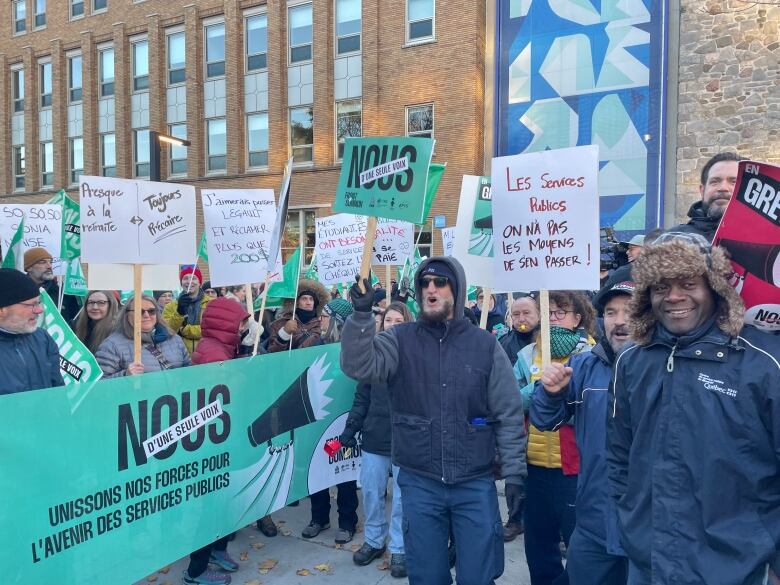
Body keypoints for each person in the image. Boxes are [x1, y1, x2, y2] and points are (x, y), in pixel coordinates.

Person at [340, 257, 527, 585]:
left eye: (440, 282)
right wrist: (360, 317)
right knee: (427, 575)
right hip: (420, 480)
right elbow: (360, 366)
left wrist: (514, 473)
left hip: (474, 481)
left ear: (456, 289)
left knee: (479, 575)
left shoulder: (485, 345)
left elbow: (508, 413)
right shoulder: (399, 339)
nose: (431, 288)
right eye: (425, 282)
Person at [607, 232, 780, 585]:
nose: (673, 297)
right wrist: (631, 525)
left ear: (714, 287)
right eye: (660, 286)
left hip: (737, 566)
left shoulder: (763, 363)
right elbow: (620, 458)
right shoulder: (631, 362)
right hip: (648, 562)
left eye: (689, 283)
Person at [530, 278, 635, 585]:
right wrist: (550, 393)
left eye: (629, 311)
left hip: (645, 527)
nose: (620, 321)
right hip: (594, 522)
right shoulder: (584, 366)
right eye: (612, 312)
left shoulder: (662, 365)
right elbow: (545, 419)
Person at [514, 291, 595, 585]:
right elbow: (511, 401)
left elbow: (591, 409)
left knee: (581, 546)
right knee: (538, 545)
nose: (553, 317)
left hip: (574, 469)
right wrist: (540, 389)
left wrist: (560, 395)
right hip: (534, 466)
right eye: (547, 311)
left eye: (561, 311)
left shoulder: (590, 356)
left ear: (578, 319)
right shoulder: (526, 355)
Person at [340, 301, 414, 578]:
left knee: (403, 499)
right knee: (371, 493)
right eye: (389, 320)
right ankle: (373, 540)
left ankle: (399, 547)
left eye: (399, 321)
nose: (393, 325)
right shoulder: (372, 357)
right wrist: (350, 429)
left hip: (406, 441)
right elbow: (362, 399)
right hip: (375, 437)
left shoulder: (417, 358)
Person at [182, 297, 251, 585]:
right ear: (229, 324)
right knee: (211, 507)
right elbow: (221, 397)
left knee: (224, 504)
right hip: (212, 443)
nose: (247, 326)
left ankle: (217, 549)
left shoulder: (224, 348)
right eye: (243, 322)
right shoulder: (213, 354)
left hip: (223, 439)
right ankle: (195, 571)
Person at [300, 297, 360, 545]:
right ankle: (319, 518)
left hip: (343, 421)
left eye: (325, 317)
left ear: (337, 321)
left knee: (344, 471)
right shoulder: (315, 343)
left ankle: (347, 522)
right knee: (318, 470)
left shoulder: (355, 348)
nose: (320, 320)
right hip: (319, 419)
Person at [496, 293, 540, 542]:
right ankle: (515, 518)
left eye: (527, 313)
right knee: (516, 473)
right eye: (516, 314)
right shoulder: (503, 343)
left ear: (539, 314)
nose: (521, 318)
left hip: (547, 424)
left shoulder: (550, 342)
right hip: (516, 422)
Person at [0, 268, 64, 393]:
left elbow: (58, 389)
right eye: (32, 305)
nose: (39, 310)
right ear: (2, 310)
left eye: (39, 302)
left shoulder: (42, 338)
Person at [96, 294, 191, 377]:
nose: (146, 315)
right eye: (139, 311)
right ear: (127, 314)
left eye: (151, 311)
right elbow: (100, 386)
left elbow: (189, 373)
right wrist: (125, 375)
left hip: (174, 397)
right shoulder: (111, 345)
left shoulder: (174, 339)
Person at [672, 152, 741, 241]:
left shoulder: (764, 238)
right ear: (702, 190)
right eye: (714, 181)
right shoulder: (671, 240)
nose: (723, 188)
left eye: (734, 182)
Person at [267, 279, 330, 352]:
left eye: (311, 299)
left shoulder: (321, 324)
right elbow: (272, 353)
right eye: (304, 299)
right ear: (296, 302)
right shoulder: (279, 324)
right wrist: (284, 334)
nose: (308, 302)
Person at [163, 266, 214, 354]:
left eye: (193, 278)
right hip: (180, 355)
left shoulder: (212, 303)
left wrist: (184, 329)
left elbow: (211, 330)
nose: (189, 281)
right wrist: (179, 313)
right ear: (181, 282)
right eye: (185, 278)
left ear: (200, 282)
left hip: (207, 354)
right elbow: (167, 331)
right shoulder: (170, 306)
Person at [23, 247, 80, 322]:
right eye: (43, 262)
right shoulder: (19, 291)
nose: (49, 266)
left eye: (50, 262)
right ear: (29, 267)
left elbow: (75, 318)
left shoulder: (62, 292)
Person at [73, 290, 120, 354]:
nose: (95, 307)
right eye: (91, 302)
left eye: (101, 303)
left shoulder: (117, 331)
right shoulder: (75, 325)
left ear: (110, 305)